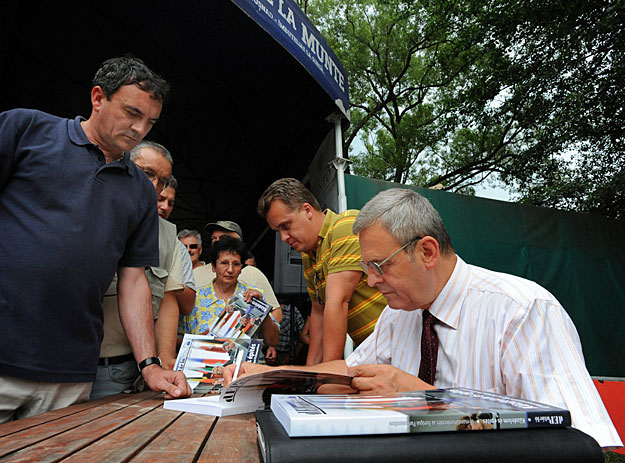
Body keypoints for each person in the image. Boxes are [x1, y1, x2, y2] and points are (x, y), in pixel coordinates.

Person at [227, 188, 622, 448]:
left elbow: (579, 443)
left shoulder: (522, 311)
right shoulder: (399, 314)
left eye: (379, 266)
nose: (370, 281)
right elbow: (351, 370)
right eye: (366, 268)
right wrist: (267, 376)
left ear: (427, 251)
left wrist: (426, 399)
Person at [0, 56, 191, 422]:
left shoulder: (139, 190)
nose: (139, 129)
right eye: (131, 113)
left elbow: (133, 280)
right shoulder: (26, 129)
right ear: (98, 97)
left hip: (70, 375)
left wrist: (149, 364)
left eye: (150, 122)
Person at [257, 178, 386, 364]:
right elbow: (318, 313)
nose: (284, 237)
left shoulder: (344, 226)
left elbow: (338, 301)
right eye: (278, 231)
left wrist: (328, 374)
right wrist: (313, 374)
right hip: (376, 350)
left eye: (286, 226)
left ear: (307, 210)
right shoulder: (309, 254)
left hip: (403, 342)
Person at [91, 141, 184, 399]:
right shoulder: (89, 212)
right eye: (147, 173)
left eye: (163, 180)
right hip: (73, 363)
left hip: (130, 369)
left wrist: (163, 362)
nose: (153, 186)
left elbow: (168, 299)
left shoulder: (167, 235)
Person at [183, 236, 264, 335]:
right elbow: (176, 339)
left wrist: (262, 308)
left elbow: (272, 341)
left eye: (236, 264)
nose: (230, 270)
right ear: (213, 267)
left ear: (241, 268)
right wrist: (201, 339)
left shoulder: (254, 296)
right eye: (224, 263)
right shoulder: (194, 298)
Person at [158, 176, 196, 316]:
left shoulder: (177, 248)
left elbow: (187, 306)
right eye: (160, 199)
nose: (165, 207)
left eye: (171, 203)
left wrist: (165, 275)